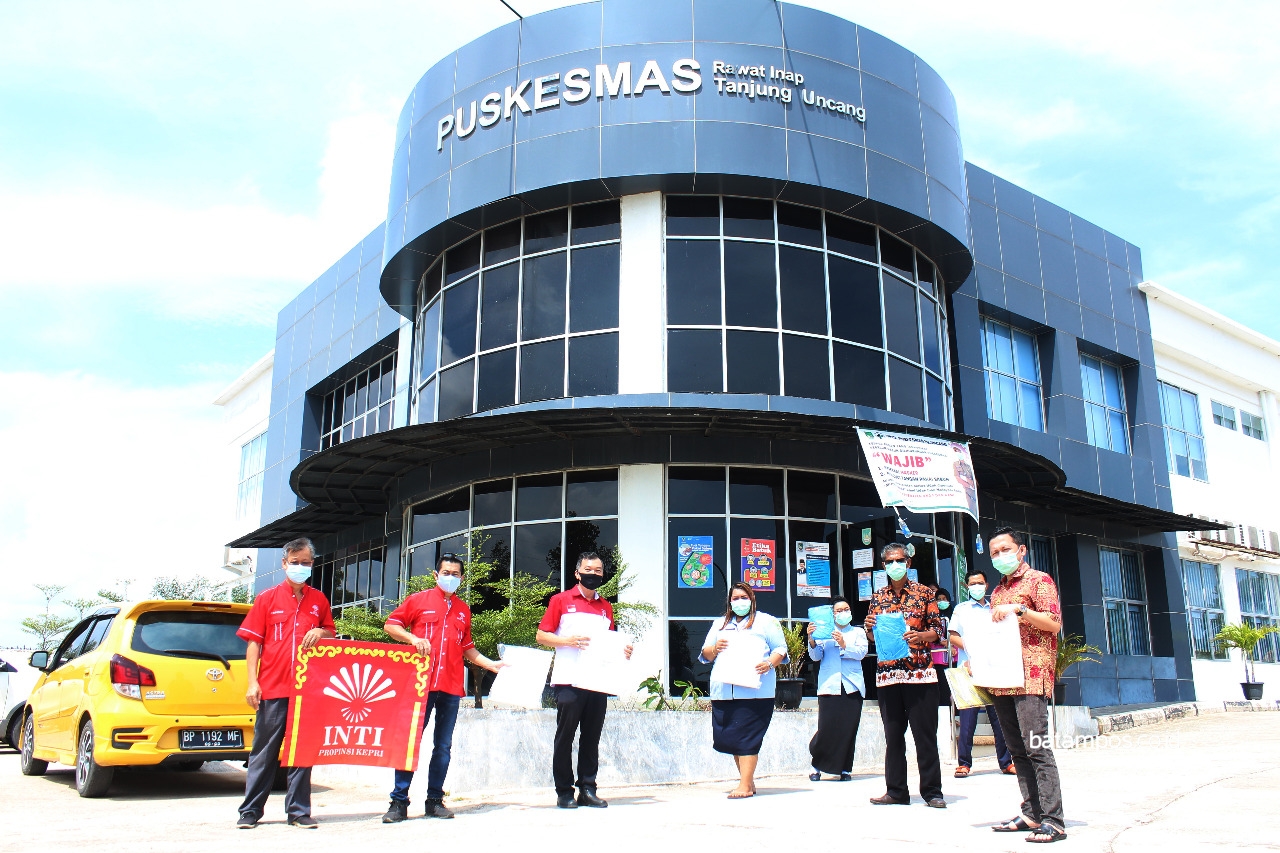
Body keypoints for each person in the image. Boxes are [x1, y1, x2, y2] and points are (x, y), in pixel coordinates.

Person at [380, 553, 506, 823]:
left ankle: (435, 800)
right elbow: (391, 625)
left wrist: (491, 664)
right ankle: (398, 802)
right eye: (446, 573)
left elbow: (467, 648)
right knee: (410, 742)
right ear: (436, 575)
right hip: (420, 686)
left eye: (455, 574)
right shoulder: (418, 600)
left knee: (443, 746)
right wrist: (412, 638)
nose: (450, 577)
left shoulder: (463, 609)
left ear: (462, 578)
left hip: (450, 687)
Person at [235, 538, 335, 829]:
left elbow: (331, 632)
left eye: (305, 563)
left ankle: (299, 812)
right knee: (264, 752)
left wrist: (320, 632)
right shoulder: (267, 598)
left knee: (302, 751)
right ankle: (250, 811)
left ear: (312, 564)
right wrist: (252, 683)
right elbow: (254, 644)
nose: (300, 567)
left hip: (307, 691)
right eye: (295, 562)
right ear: (284, 563)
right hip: (273, 688)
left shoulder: (319, 600)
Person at [985, 527, 1067, 843]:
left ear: (1021, 550)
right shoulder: (997, 591)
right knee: (1017, 750)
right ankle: (1032, 812)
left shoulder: (1039, 581)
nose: (1000, 556)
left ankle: (1053, 819)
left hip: (1031, 675)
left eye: (1005, 549)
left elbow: (1054, 624)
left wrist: (1020, 609)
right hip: (1003, 678)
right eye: (994, 553)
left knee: (1036, 747)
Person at [535, 552, 633, 810]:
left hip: (597, 681)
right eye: (588, 570)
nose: (593, 574)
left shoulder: (606, 606)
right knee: (565, 736)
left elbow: (610, 643)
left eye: (598, 571)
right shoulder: (560, 600)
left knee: (591, 737)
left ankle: (588, 789)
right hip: (568, 679)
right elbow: (541, 636)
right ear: (577, 573)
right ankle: (564, 791)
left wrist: (623, 650)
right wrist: (567, 641)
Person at [863, 542, 945, 808]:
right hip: (888, 676)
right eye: (889, 562)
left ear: (908, 563)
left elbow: (938, 632)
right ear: (883, 566)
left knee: (925, 736)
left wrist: (920, 636)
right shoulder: (878, 597)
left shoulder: (925, 593)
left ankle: (932, 792)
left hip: (920, 675)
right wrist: (868, 628)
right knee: (893, 737)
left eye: (899, 560)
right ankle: (896, 791)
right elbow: (872, 637)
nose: (894, 565)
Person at [698, 582, 787, 799]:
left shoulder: (767, 621)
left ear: (752, 599)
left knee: (748, 738)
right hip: (724, 691)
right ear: (729, 602)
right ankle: (748, 781)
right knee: (733, 739)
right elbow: (706, 654)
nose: (740, 602)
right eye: (735, 598)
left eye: (744, 597)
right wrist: (715, 648)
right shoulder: (720, 624)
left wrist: (769, 663)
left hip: (755, 691)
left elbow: (781, 649)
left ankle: (745, 786)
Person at [947, 570, 1014, 778]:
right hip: (968, 669)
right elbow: (953, 636)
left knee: (999, 718)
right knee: (968, 719)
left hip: (994, 669)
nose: (976, 586)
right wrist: (974, 653)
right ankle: (964, 763)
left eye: (980, 583)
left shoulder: (996, 608)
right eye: (972, 583)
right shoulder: (961, 609)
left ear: (986, 585)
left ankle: (1006, 762)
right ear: (967, 587)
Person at [806, 596, 868, 781]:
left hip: (852, 685)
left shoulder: (857, 632)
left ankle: (845, 769)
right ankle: (817, 766)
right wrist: (811, 639)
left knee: (849, 727)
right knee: (827, 727)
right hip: (829, 685)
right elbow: (816, 656)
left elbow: (861, 653)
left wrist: (843, 644)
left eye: (846, 609)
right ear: (832, 614)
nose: (843, 613)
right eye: (838, 611)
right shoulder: (824, 632)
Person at [932, 588, 953, 707]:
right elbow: (933, 632)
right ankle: (945, 714)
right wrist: (944, 642)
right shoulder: (933, 617)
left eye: (944, 599)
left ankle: (956, 714)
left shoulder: (954, 615)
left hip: (954, 656)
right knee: (942, 688)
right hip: (938, 658)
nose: (941, 601)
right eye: (938, 599)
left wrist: (952, 644)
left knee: (954, 688)